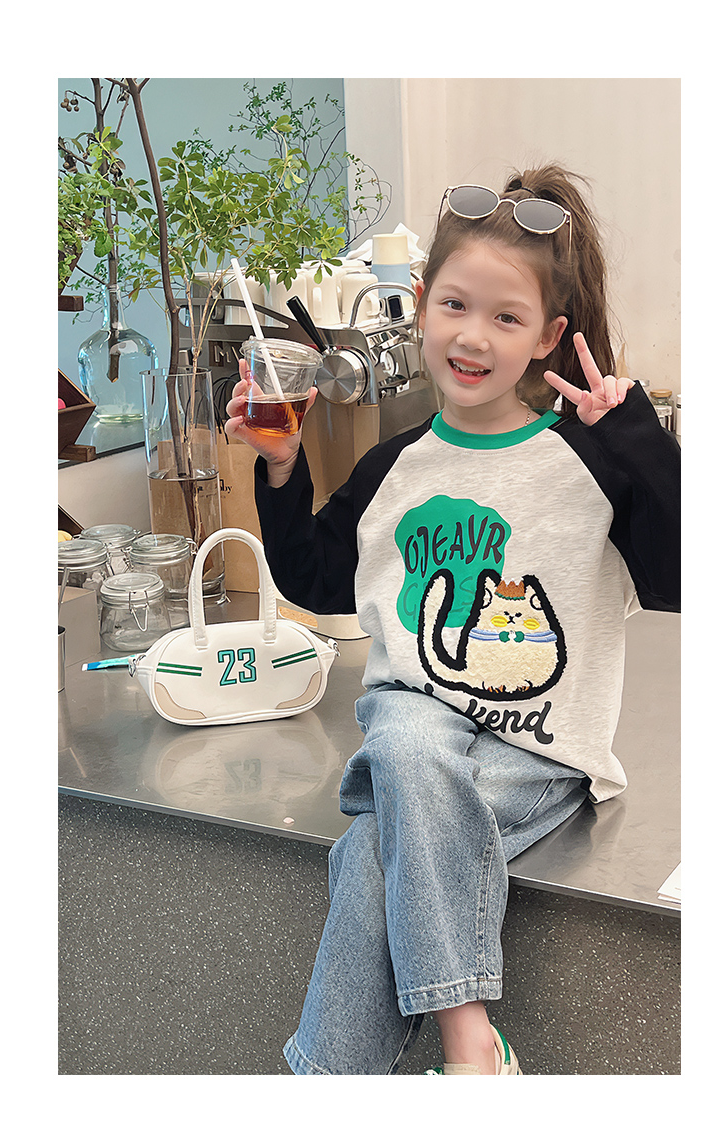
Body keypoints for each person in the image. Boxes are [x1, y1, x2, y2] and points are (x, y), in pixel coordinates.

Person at [224, 164, 681, 1076]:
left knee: (376, 848)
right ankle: (471, 1046)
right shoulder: (393, 466)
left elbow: (680, 578)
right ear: (423, 305)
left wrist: (635, 435)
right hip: (416, 727)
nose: (473, 336)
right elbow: (317, 578)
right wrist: (280, 468)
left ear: (548, 337)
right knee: (406, 732)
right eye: (456, 306)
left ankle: (389, 1070)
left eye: (507, 318)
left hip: (535, 756)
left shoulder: (588, 460)